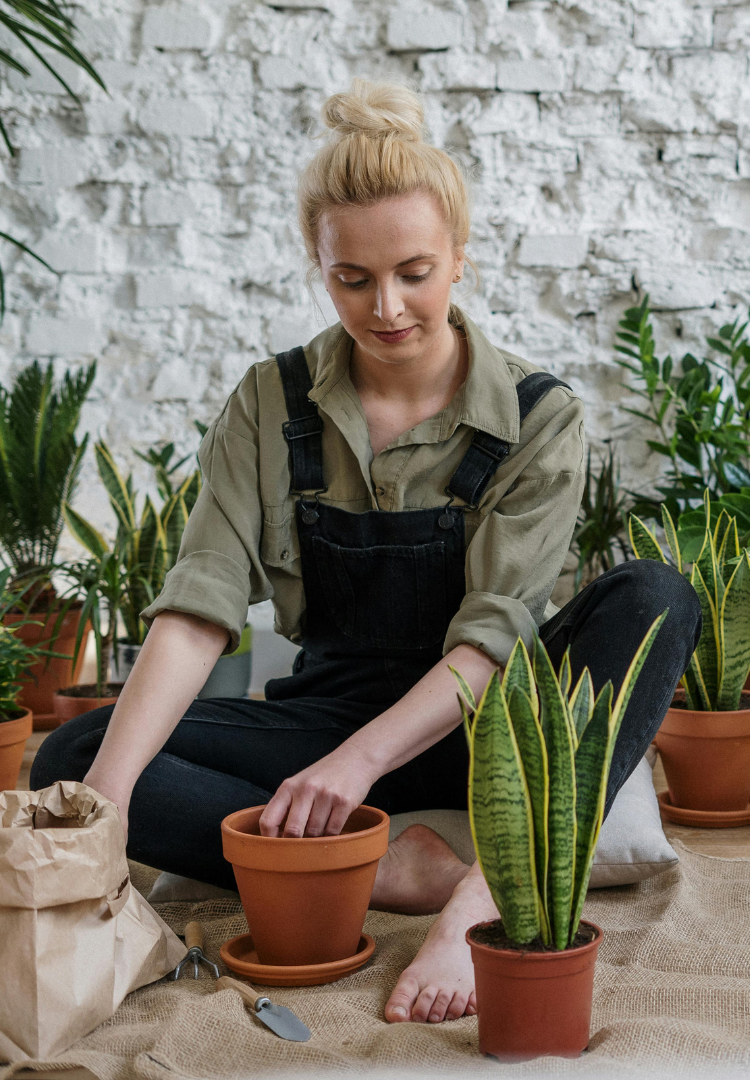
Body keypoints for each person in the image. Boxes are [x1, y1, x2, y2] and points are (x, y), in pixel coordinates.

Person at [32, 79, 700, 1026]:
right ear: (319, 264)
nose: (387, 307)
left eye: (415, 272)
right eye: (353, 279)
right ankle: (390, 867)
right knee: (77, 754)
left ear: (461, 259)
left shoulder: (539, 420)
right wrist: (101, 813)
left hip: (492, 726)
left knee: (658, 592)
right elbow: (198, 609)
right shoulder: (271, 403)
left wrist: (353, 769)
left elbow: (492, 641)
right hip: (328, 713)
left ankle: (483, 897)